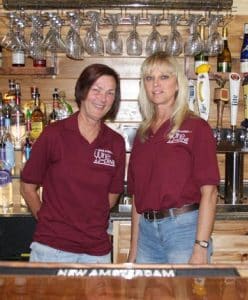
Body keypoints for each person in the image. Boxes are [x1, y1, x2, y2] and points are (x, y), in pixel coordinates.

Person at [20, 64, 125, 263]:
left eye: (110, 93)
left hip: (97, 251)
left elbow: (112, 197)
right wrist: (48, 222)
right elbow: (27, 187)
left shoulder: (115, 142)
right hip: (52, 250)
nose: (103, 98)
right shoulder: (54, 134)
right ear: (83, 91)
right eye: (96, 90)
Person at [127, 52, 220, 264]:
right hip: (147, 236)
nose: (156, 84)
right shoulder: (142, 134)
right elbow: (136, 199)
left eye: (164, 77)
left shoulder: (196, 127)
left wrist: (200, 246)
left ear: (178, 83)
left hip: (184, 231)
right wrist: (134, 249)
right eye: (149, 78)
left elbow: (210, 192)